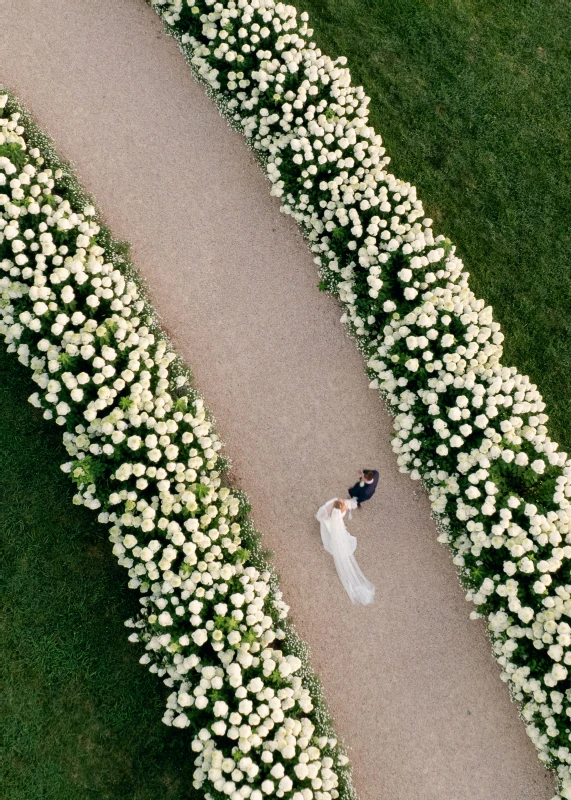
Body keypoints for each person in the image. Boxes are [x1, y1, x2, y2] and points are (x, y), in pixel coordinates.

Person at [315, 498, 375, 606]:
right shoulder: (342, 511)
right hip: (337, 526)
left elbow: (322, 515)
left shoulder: (332, 510)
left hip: (331, 525)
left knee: (329, 536)